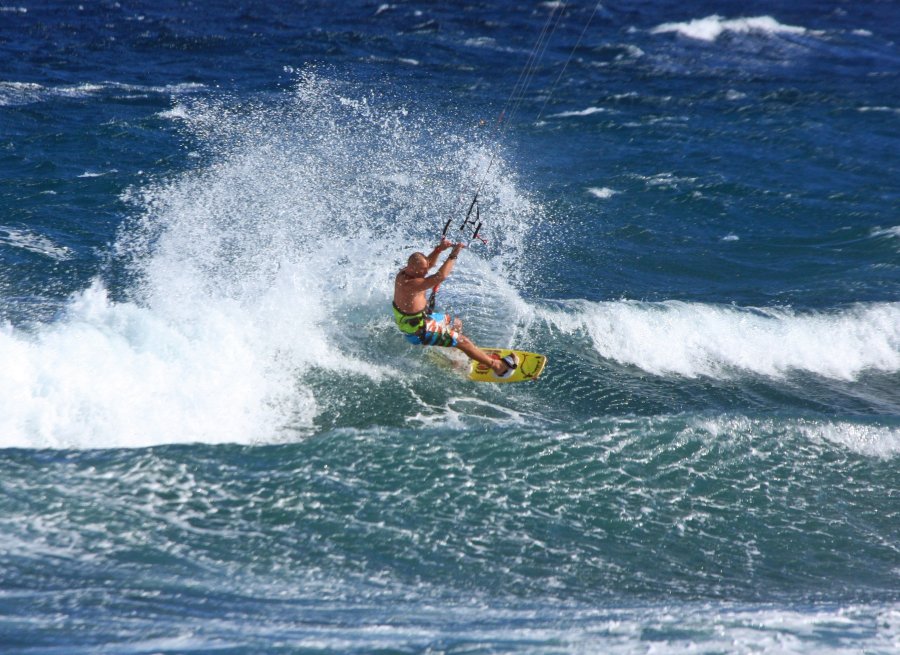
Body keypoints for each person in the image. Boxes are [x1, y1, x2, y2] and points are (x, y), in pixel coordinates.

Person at [393, 238, 518, 377]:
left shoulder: (406, 272)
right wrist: (453, 254)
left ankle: (456, 359)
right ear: (412, 268)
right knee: (463, 341)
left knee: (453, 323)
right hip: (419, 330)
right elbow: (441, 276)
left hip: (419, 321)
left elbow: (426, 265)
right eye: (422, 271)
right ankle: (499, 367)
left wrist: (438, 249)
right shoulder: (410, 285)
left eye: (425, 269)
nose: (425, 272)